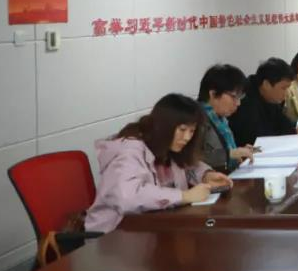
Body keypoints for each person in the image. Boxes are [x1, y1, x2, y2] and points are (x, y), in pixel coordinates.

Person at [85, 94, 233, 233]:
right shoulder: (130, 150)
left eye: (191, 131)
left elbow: (189, 167)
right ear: (164, 126)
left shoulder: (168, 145)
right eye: (182, 130)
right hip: (114, 233)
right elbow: (127, 197)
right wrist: (183, 196)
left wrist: (206, 176)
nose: (187, 137)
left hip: (154, 227)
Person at [229, 58, 298, 146]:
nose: (286, 93)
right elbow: (259, 139)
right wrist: (295, 132)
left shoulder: (270, 97)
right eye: (283, 88)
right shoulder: (244, 101)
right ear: (266, 84)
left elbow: (281, 122)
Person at [196, 64, 257, 172]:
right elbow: (192, 158)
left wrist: (239, 152)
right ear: (213, 94)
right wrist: (230, 154)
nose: (238, 103)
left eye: (240, 97)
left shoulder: (220, 119)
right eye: (234, 97)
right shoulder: (195, 119)